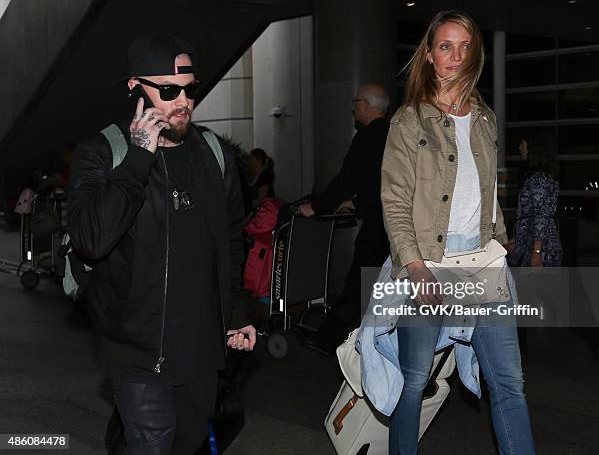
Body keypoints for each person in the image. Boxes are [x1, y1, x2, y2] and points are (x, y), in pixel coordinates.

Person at [67, 34, 256, 455]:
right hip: (136, 348)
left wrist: (237, 313)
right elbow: (91, 240)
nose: (183, 101)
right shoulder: (103, 153)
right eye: (169, 91)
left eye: (190, 89)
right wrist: (138, 158)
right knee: (152, 443)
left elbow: (229, 240)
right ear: (135, 89)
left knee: (188, 443)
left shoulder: (214, 153)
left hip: (202, 348)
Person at [373, 10, 536, 454]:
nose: (456, 56)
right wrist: (414, 266)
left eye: (465, 47)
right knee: (413, 380)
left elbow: (487, 190)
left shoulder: (485, 119)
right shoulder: (410, 121)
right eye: (445, 46)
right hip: (429, 259)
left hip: (482, 264)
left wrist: (501, 237)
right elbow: (395, 201)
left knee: (509, 382)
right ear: (429, 55)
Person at [299, 83, 391, 355]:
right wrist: (359, 201)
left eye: (355, 103)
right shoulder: (396, 134)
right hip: (398, 223)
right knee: (382, 283)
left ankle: (331, 339)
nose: (353, 108)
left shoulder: (367, 136)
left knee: (358, 281)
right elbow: (384, 180)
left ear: (364, 104)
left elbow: (347, 178)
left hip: (378, 224)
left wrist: (316, 207)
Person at [509, 139, 562, 268]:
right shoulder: (537, 178)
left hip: (542, 250)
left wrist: (537, 252)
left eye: (523, 145)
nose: (520, 147)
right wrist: (517, 240)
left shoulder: (539, 180)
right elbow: (530, 218)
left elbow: (540, 216)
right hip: (535, 246)